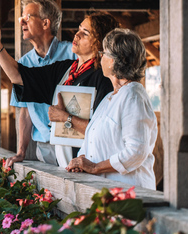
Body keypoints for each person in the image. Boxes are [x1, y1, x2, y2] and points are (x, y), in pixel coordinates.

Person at [0, 11, 119, 167]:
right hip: (65, 164)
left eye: (85, 33)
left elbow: (105, 132)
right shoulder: (65, 70)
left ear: (100, 42)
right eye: (79, 29)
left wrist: (65, 118)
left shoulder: (105, 79)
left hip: (92, 166)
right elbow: (20, 76)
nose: (76, 35)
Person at [0, 0, 75, 165]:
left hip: (75, 141)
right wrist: (21, 151)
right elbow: (25, 112)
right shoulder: (23, 64)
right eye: (22, 17)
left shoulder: (72, 53)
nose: (21, 22)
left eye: (27, 17)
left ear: (45, 23)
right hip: (45, 145)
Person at [65, 29, 157, 189]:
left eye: (104, 53)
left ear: (116, 60)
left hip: (130, 193)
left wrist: (95, 167)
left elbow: (136, 151)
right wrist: (80, 161)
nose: (100, 56)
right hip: (107, 192)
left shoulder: (133, 95)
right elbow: (91, 143)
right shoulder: (109, 98)